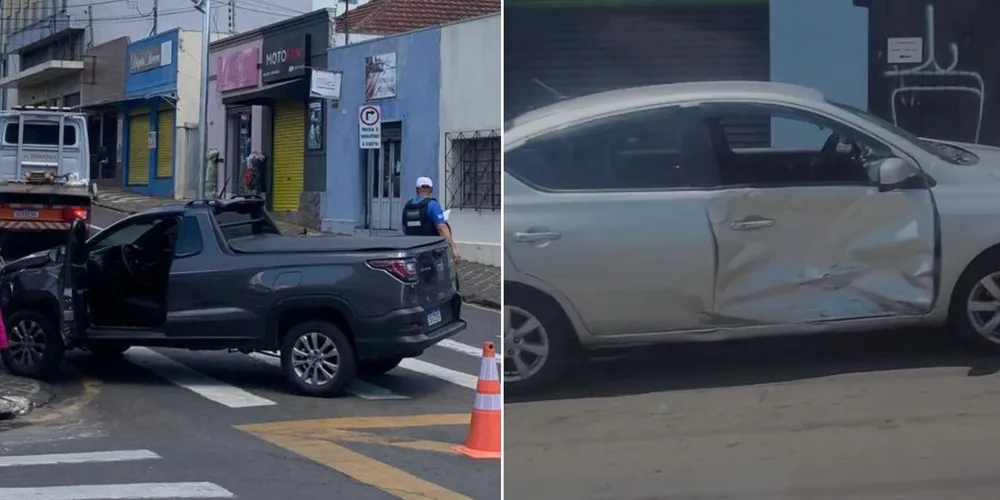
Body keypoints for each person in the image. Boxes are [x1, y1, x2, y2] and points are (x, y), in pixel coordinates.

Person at [402, 176, 460, 262]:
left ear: (417, 189)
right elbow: (442, 228)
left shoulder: (408, 205)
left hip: (412, 249)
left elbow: (404, 227)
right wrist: (452, 248)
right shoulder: (432, 205)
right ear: (431, 190)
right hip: (430, 249)